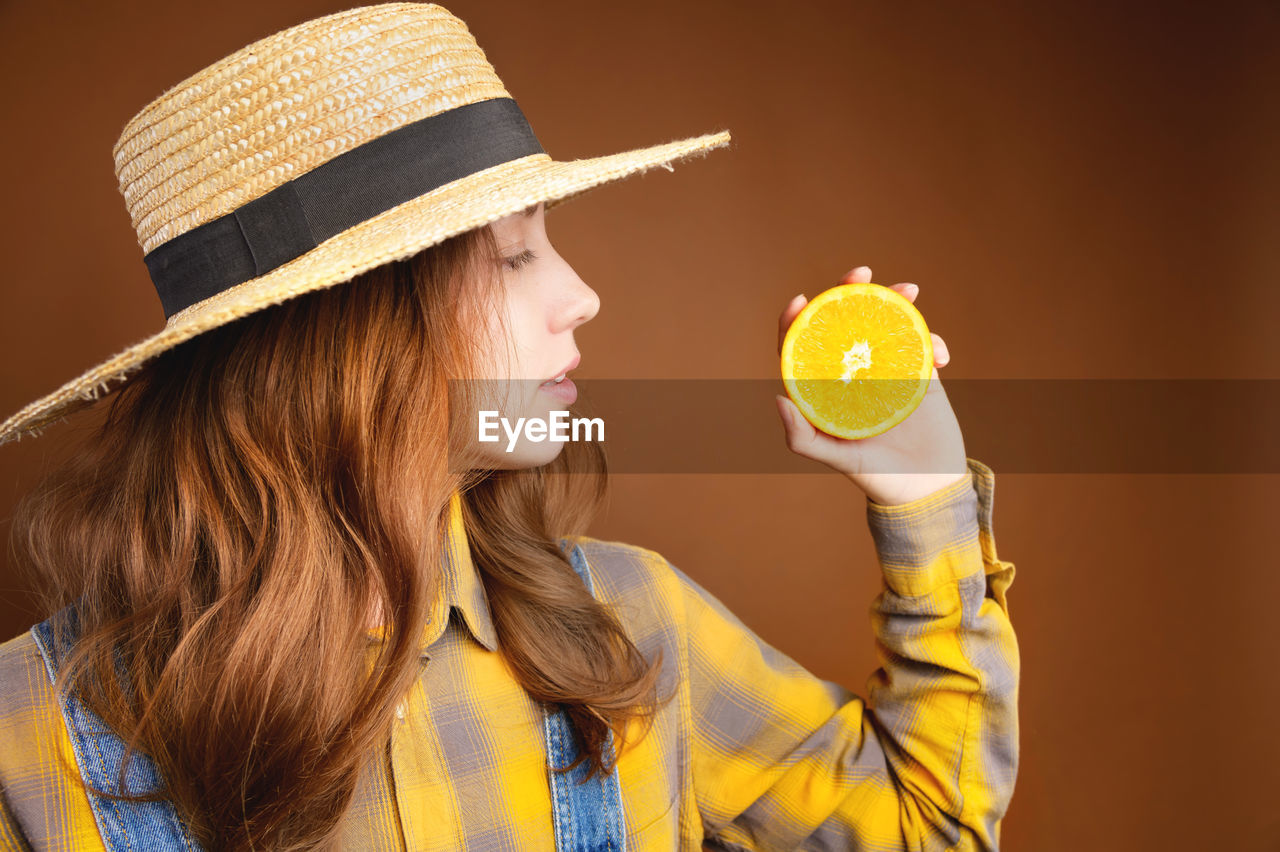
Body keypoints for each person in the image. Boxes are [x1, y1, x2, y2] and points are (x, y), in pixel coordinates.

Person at [0, 3, 1020, 850]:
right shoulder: (23, 738)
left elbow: (919, 826)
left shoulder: (629, 624)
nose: (580, 296)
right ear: (346, 335)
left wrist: (919, 489)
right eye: (513, 256)